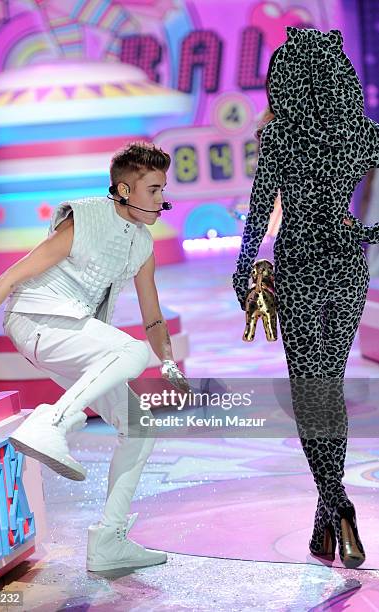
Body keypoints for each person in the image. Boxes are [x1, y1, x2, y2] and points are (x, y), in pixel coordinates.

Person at [0, 141, 190, 572]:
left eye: (162, 189)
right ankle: (52, 423)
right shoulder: (85, 218)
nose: (162, 199)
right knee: (129, 350)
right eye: (153, 190)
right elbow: (13, 275)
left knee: (139, 427)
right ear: (123, 190)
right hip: (35, 318)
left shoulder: (142, 244)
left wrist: (168, 360)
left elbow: (152, 315)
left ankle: (109, 540)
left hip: (73, 330)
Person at [232, 27, 379, 569]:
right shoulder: (364, 135)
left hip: (299, 267)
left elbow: (256, 215)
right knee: (328, 392)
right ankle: (327, 524)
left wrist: (245, 269)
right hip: (345, 268)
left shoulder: (278, 138)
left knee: (311, 392)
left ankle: (339, 507)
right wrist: (366, 233)